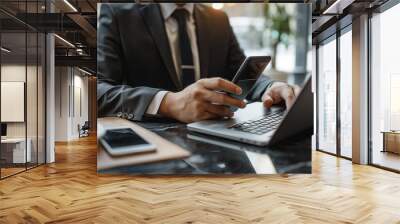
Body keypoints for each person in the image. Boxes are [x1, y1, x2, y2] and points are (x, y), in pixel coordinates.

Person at [97, 3, 298, 123]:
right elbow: (99, 91)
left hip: (217, 139)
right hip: (150, 145)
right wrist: (167, 103)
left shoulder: (218, 18)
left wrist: (270, 87)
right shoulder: (117, 13)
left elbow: (239, 70)